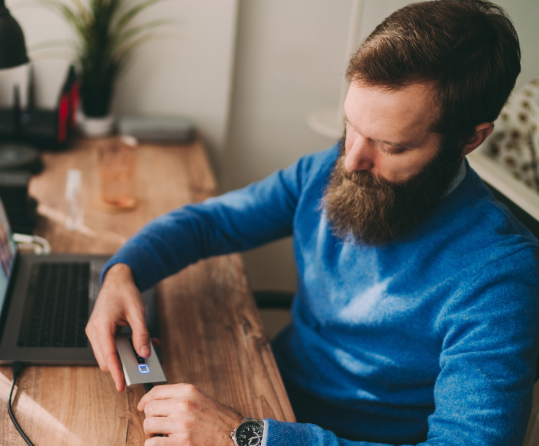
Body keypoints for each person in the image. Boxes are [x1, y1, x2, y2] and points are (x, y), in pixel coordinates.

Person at [86, 0, 539, 445]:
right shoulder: (331, 166)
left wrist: (244, 436)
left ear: (469, 139)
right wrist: (125, 271)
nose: (353, 159)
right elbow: (214, 222)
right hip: (265, 393)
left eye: (392, 147)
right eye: (351, 126)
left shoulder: (500, 277)